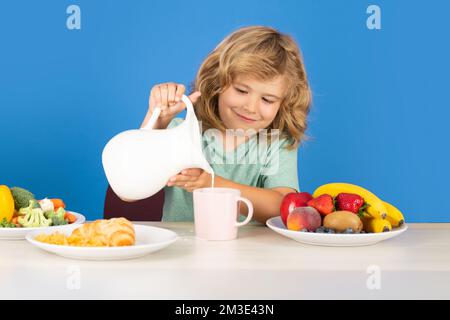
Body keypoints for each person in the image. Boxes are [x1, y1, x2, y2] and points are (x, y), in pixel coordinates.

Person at [140, 26, 312, 223]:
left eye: (267, 99)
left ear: (284, 103)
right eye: (241, 90)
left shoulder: (277, 143)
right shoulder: (180, 132)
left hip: (254, 253)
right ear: (217, 82)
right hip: (183, 250)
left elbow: (281, 206)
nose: (251, 107)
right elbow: (131, 183)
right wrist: (156, 123)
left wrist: (211, 183)